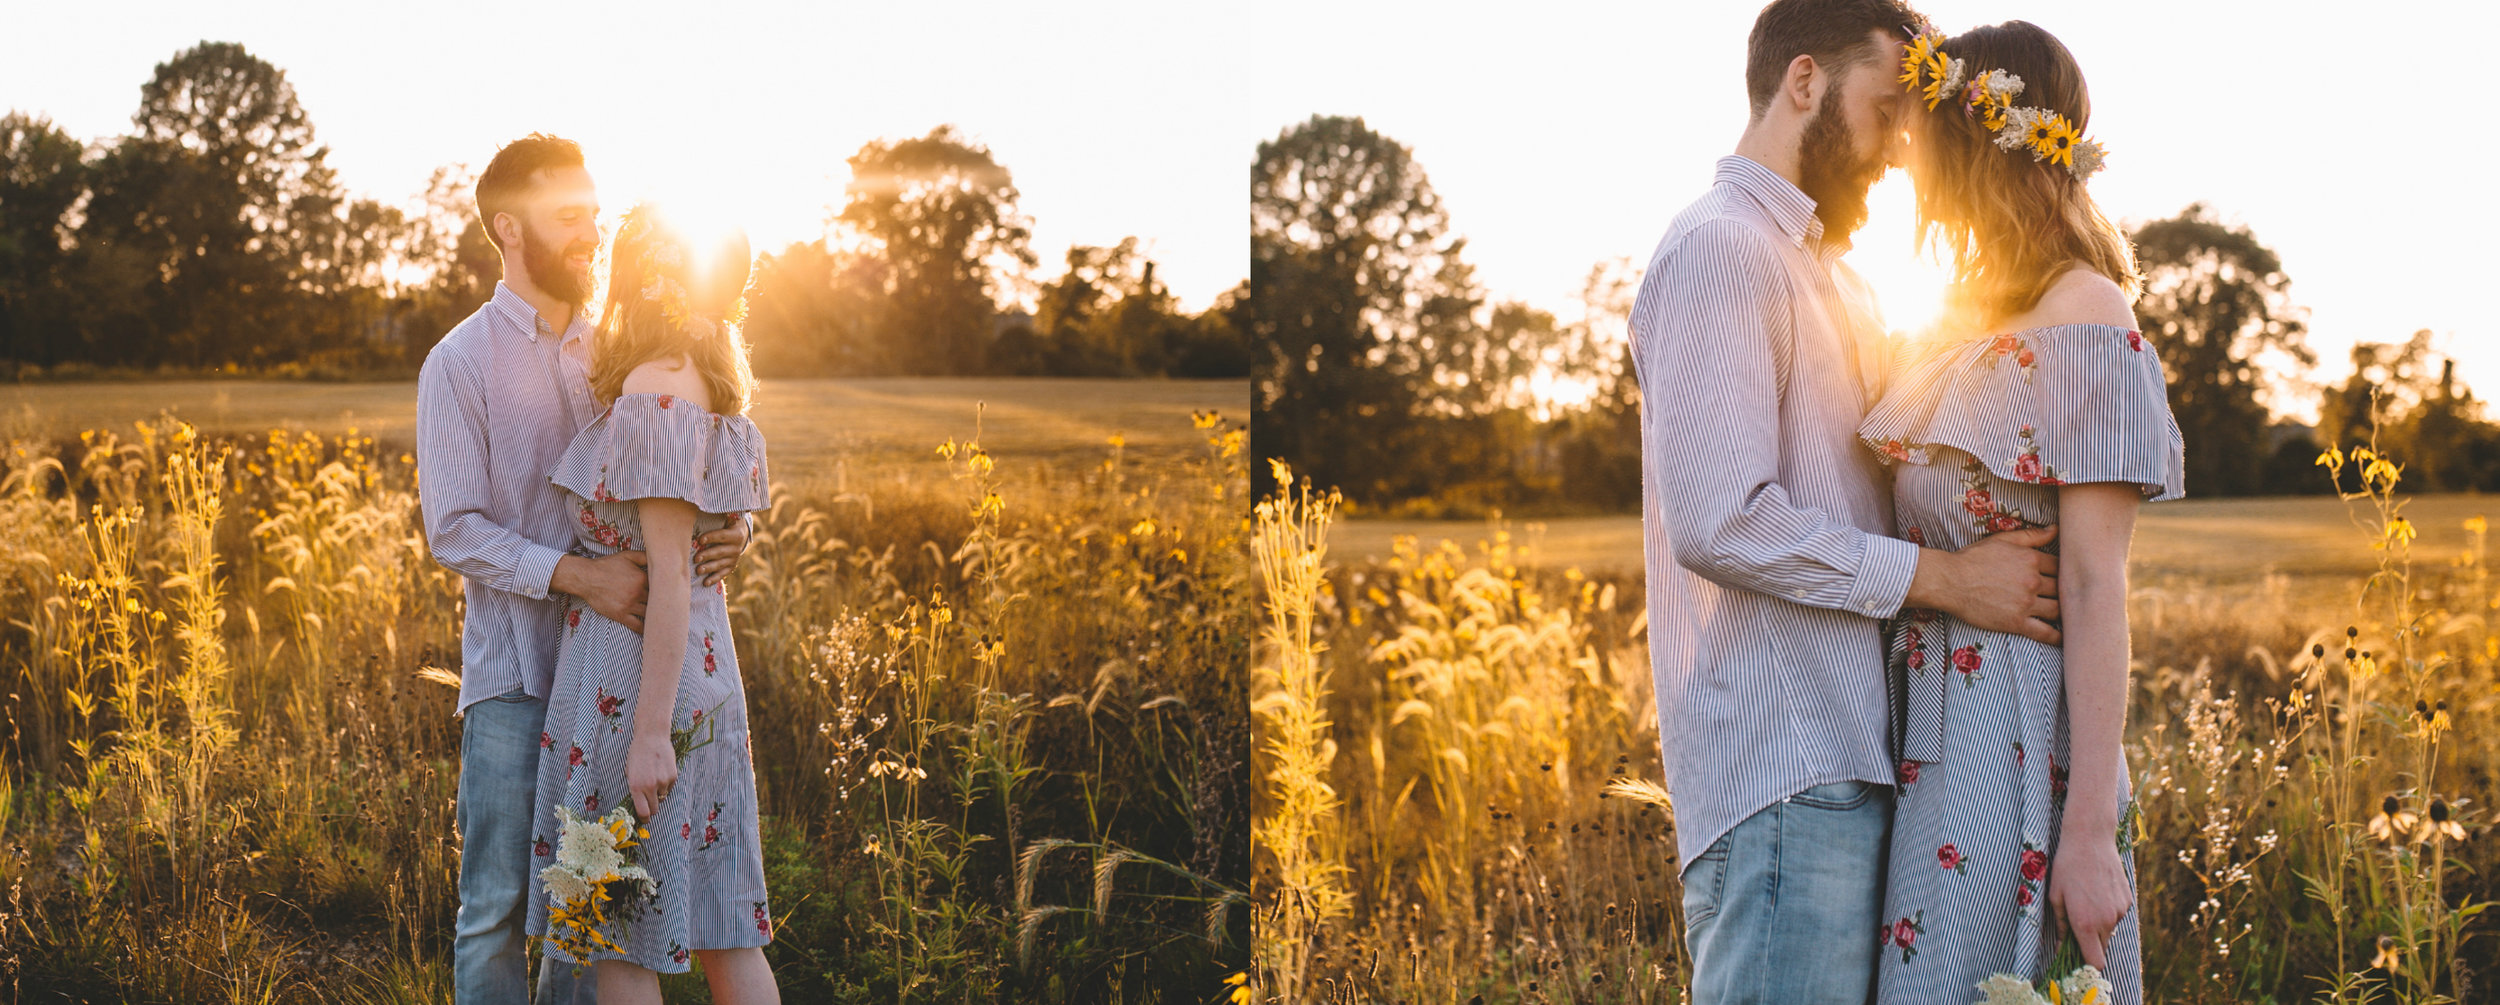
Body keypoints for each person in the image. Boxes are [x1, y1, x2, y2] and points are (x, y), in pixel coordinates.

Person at [1627, 2, 2067, 1001]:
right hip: (1787, 772)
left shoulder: (1829, 274)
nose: (1896, 151)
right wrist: (1950, 579)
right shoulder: (1721, 250)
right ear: (1805, 83)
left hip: (1852, 762)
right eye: (1882, 108)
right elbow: (1719, 519)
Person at [1864, 20, 2180, 1003]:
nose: (1910, 160)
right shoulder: (1955, 317)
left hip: (2016, 740)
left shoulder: (2085, 310)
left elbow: (2092, 581)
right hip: (1924, 734)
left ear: (1980, 139)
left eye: (1928, 137)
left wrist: (2087, 835)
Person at [418, 134, 750, 1005]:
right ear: (508, 226)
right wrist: (581, 576)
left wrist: (735, 526)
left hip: (614, 671)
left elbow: (680, 469)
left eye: (596, 216)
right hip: (515, 673)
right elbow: (453, 530)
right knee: (494, 906)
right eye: (570, 217)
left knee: (588, 911)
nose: (591, 234)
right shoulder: (459, 361)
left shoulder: (621, 351)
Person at [523, 203, 780, 1004]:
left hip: (640, 693)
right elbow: (703, 538)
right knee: (720, 930)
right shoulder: (697, 379)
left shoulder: (654, 382)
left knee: (619, 936)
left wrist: (646, 737)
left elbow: (670, 569)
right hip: (694, 677)